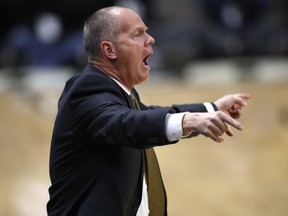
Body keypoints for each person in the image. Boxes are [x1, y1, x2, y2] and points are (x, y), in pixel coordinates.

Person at [46, 6, 250, 216]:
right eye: (137, 34)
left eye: (147, 31)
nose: (151, 39)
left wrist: (212, 108)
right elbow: (125, 123)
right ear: (109, 50)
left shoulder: (120, 93)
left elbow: (145, 115)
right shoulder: (86, 88)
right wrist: (187, 120)